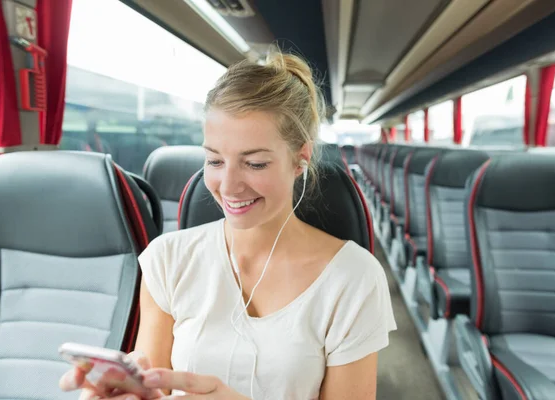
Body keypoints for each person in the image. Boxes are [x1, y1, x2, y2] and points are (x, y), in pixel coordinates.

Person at [59, 51, 397, 400]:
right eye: (215, 160)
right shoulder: (167, 259)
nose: (229, 185)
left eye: (255, 163)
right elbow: (154, 384)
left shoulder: (354, 278)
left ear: (301, 158)